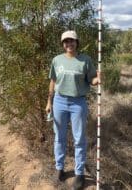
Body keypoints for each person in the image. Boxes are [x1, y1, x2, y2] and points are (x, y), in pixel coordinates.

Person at [45, 30, 99, 190]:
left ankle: (79, 173)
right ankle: (59, 168)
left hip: (78, 103)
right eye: (66, 41)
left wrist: (98, 79)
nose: (69, 44)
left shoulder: (85, 60)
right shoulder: (57, 60)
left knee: (79, 139)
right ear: (63, 44)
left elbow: (92, 79)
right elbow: (53, 81)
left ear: (77, 43)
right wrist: (49, 102)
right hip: (59, 101)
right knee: (59, 137)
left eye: (72, 41)